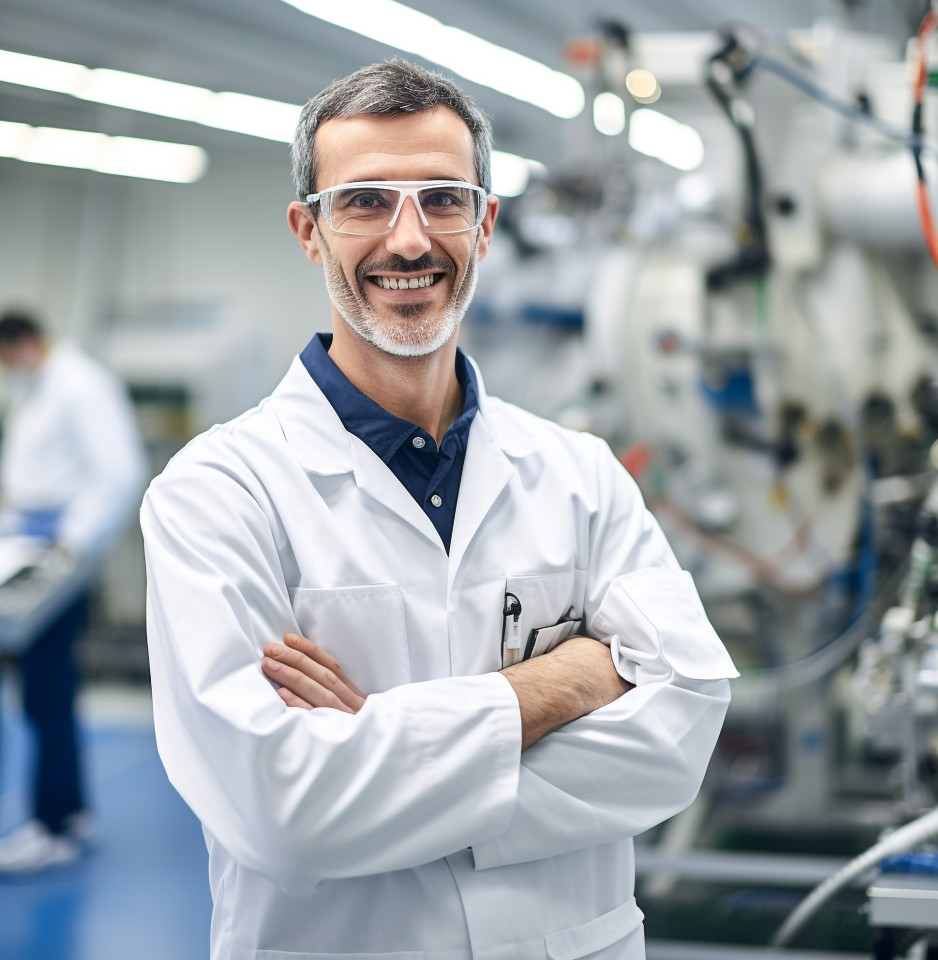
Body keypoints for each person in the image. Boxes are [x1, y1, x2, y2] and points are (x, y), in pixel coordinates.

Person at [142, 59, 738, 960]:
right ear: (310, 230)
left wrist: (380, 751)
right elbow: (285, 812)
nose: (410, 239)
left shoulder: (580, 476)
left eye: (443, 199)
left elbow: (681, 732)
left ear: (486, 222)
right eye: (366, 202)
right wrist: (569, 683)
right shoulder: (217, 494)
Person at [0, 310, 146, 872]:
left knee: (45, 690)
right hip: (30, 546)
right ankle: (73, 813)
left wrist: (68, 545)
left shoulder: (79, 386)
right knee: (48, 691)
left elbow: (118, 472)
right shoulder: (38, 387)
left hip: (55, 556)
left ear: (23, 344)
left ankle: (53, 825)